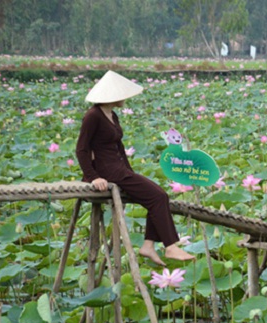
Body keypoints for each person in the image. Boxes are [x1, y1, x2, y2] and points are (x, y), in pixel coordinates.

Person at [76, 70, 195, 266]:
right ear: (112, 95)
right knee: (158, 196)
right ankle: (170, 246)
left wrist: (129, 172)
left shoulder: (112, 115)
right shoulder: (93, 116)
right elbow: (82, 149)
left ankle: (148, 245)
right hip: (107, 172)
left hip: (119, 169)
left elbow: (119, 147)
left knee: (157, 197)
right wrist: (92, 177)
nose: (126, 98)